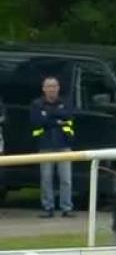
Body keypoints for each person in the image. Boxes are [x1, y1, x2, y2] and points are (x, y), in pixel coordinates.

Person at [30, 76, 75, 218]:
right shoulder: (36, 104)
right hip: (45, 144)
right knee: (46, 178)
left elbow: (69, 117)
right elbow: (37, 121)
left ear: (58, 88)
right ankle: (48, 207)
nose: (52, 89)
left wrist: (49, 116)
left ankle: (66, 208)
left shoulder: (65, 102)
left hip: (64, 144)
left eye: (54, 86)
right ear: (43, 89)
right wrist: (57, 120)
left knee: (66, 179)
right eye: (49, 86)